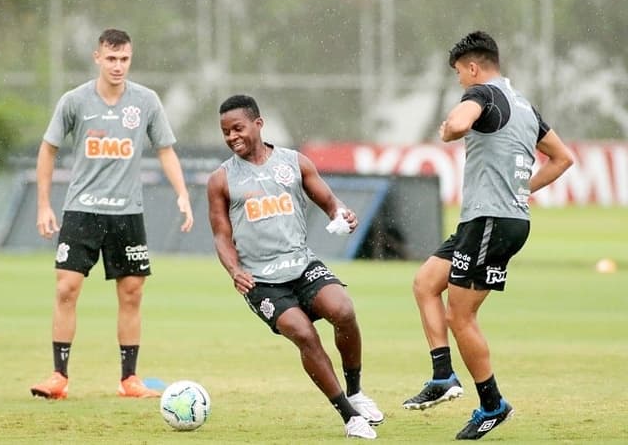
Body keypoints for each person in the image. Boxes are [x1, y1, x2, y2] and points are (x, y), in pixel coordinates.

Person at [402, 31, 573, 440]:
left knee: (460, 315)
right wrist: (523, 188)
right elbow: (563, 158)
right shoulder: (525, 106)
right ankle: (443, 376)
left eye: (460, 73)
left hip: (491, 222)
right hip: (486, 220)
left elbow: (460, 124)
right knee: (426, 283)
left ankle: (492, 405)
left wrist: (447, 131)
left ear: (474, 68)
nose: (461, 81)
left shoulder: (482, 94)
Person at [207, 94, 384, 440]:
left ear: (259, 124)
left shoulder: (294, 162)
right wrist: (234, 270)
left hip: (302, 265)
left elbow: (330, 202)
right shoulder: (221, 180)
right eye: (225, 132)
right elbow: (220, 236)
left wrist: (341, 214)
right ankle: (350, 417)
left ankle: (357, 392)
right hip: (261, 280)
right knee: (304, 334)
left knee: (343, 310)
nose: (232, 137)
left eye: (238, 128)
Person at [31, 28, 193, 399]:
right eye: (111, 59)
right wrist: (43, 203)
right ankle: (58, 377)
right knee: (66, 287)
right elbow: (48, 149)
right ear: (97, 58)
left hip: (127, 213)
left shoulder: (146, 101)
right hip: (81, 210)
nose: (118, 66)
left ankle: (129, 380)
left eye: (124, 59)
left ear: (130, 59)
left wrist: (182, 193)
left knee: (132, 293)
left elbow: (165, 149)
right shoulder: (74, 101)